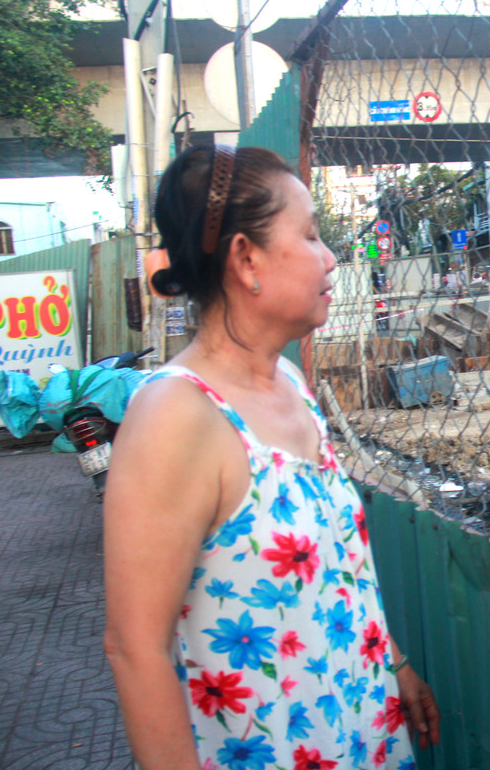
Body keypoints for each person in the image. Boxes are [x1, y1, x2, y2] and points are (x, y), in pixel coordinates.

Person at [104, 145, 440, 770]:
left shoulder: (288, 383)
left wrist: (394, 665)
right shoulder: (175, 417)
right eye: (311, 235)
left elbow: (335, 571)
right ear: (246, 258)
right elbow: (135, 648)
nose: (332, 258)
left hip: (359, 730)